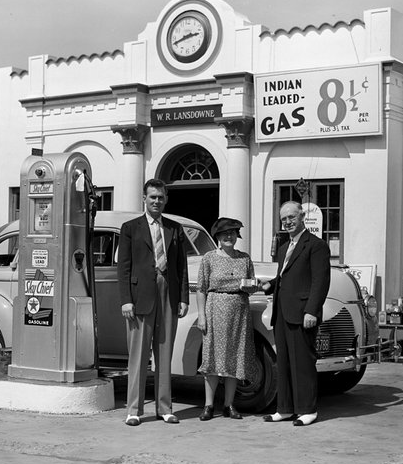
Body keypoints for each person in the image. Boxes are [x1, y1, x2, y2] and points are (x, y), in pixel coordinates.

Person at [117, 179, 189, 426]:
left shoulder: (174, 228)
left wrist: (183, 298)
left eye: (160, 197)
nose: (156, 201)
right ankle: (134, 410)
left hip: (168, 292)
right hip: (140, 297)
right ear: (144, 199)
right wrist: (126, 300)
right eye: (152, 197)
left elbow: (182, 266)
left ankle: (165, 407)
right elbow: (123, 267)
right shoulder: (130, 228)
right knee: (138, 354)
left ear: (166, 199)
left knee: (165, 351)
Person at [261, 201, 330, 426]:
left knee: (302, 362)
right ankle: (285, 408)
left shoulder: (316, 245)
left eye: (291, 217)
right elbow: (285, 275)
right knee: (284, 362)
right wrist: (270, 285)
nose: (287, 222)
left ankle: (307, 409)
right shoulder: (284, 247)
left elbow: (320, 281)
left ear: (302, 217)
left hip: (302, 313)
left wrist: (312, 310)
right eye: (283, 219)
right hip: (282, 312)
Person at [196, 217, 258, 421]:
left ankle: (229, 405)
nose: (229, 237)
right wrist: (202, 316)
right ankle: (208, 405)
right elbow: (201, 289)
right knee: (213, 358)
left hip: (239, 313)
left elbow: (252, 284)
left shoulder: (245, 259)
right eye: (224, 234)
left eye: (232, 233)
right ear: (218, 237)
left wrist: (251, 287)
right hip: (215, 310)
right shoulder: (209, 258)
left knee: (234, 359)